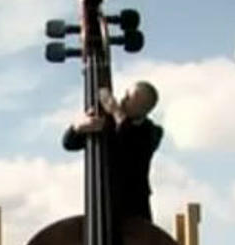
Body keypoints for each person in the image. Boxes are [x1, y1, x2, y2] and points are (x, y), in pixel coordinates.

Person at [62, 81, 164, 221]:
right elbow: (69, 144)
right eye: (125, 95)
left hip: (134, 210)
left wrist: (116, 111)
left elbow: (130, 141)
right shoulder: (107, 122)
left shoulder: (152, 132)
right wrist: (77, 127)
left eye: (129, 99)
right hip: (101, 203)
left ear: (144, 110)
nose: (122, 100)